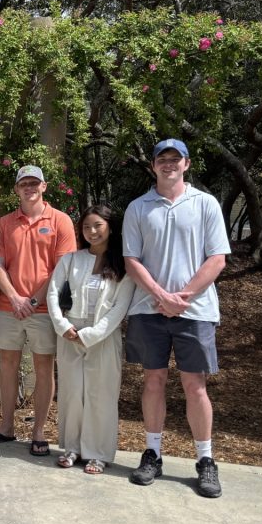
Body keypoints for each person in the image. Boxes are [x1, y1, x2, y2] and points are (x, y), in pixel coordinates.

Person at [123, 139, 230, 498]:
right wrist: (160, 296)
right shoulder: (138, 207)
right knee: (153, 381)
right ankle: (152, 453)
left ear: (186, 163)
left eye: (175, 159)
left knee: (194, 385)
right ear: (153, 165)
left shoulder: (205, 203)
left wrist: (180, 298)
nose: (168, 164)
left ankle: (205, 460)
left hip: (195, 311)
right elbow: (132, 261)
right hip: (148, 310)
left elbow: (217, 259)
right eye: (161, 159)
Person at [0, 164, 77, 456]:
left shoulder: (60, 221)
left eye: (35, 183)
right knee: (7, 366)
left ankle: (38, 432)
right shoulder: (6, 223)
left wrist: (32, 301)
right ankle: (7, 426)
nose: (30, 188)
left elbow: (61, 268)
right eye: (24, 184)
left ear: (44, 187)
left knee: (43, 368)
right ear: (16, 190)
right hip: (8, 307)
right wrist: (15, 297)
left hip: (45, 309)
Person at [46, 203, 135, 474]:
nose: (92, 231)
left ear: (109, 227)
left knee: (101, 395)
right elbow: (53, 293)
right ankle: (71, 448)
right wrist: (64, 327)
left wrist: (91, 335)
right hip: (70, 333)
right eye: (86, 226)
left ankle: (98, 453)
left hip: (103, 337)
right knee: (72, 393)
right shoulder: (71, 259)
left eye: (98, 225)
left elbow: (120, 307)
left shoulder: (123, 265)